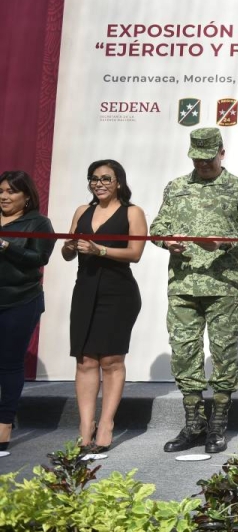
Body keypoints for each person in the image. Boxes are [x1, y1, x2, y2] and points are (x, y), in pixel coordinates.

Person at [150, 127, 238, 454]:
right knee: (184, 351)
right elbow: (158, 228)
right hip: (183, 284)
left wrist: (225, 242)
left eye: (208, 158)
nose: (202, 164)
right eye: (197, 159)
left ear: (221, 153)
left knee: (224, 352)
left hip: (224, 285)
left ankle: (218, 424)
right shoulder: (176, 188)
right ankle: (194, 423)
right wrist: (165, 241)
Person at [61, 160, 147, 452]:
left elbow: (135, 253)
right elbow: (66, 254)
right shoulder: (82, 211)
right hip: (84, 290)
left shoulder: (132, 212)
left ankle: (106, 424)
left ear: (119, 182)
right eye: (93, 179)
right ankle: (86, 427)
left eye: (105, 178)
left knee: (111, 360)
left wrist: (100, 250)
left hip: (118, 293)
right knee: (85, 361)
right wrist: (70, 246)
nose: (98, 183)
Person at [0, 171, 55, 452]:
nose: (4, 196)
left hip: (20, 301)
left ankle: (4, 425)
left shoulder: (38, 222)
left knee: (9, 363)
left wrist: (5, 246)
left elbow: (39, 258)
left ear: (26, 196)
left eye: (11, 192)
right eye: (1, 191)